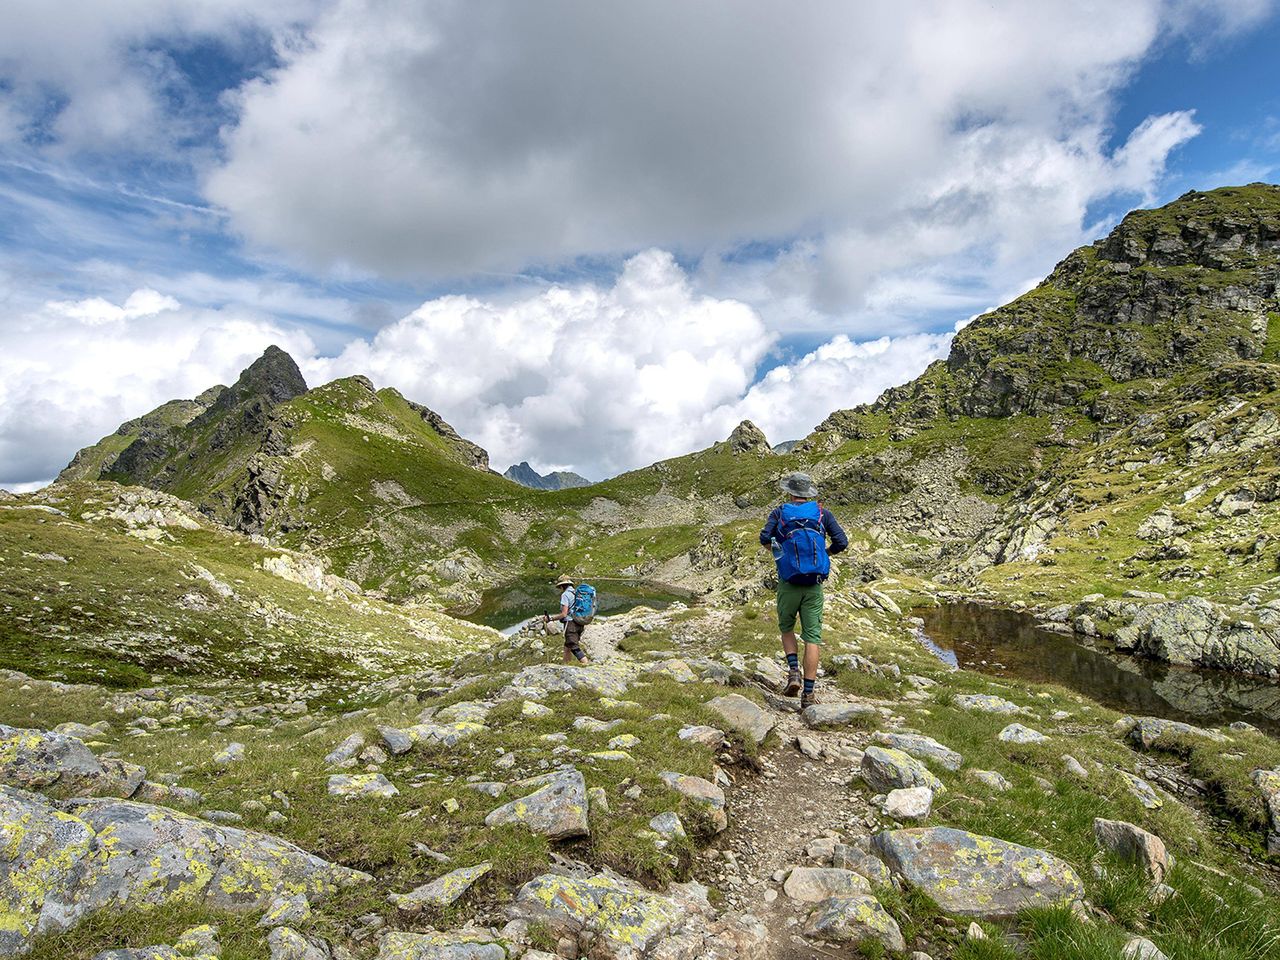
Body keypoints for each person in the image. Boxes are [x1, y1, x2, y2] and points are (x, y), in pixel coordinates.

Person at [760, 472, 848, 708]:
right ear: (809, 492)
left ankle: (793, 673)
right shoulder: (822, 513)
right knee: (812, 638)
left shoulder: (780, 513)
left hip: (788, 582)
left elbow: (764, 537)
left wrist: (781, 554)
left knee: (787, 628)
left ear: (789, 492)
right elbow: (842, 541)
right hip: (814, 585)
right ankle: (808, 696)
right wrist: (825, 554)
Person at [544, 574, 591, 665]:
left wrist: (550, 618)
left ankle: (587, 665)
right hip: (579, 622)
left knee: (574, 647)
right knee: (567, 647)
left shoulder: (565, 595)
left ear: (562, 586)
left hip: (570, 624)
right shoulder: (576, 593)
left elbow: (564, 614)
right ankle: (566, 666)